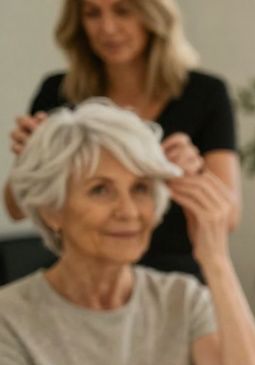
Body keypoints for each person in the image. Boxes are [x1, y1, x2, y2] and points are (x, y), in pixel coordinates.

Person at [0, 100, 255, 365]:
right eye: (100, 189)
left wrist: (215, 259)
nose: (128, 211)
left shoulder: (181, 297)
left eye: (141, 189)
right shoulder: (11, 315)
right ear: (52, 208)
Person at [4, 0, 240, 278]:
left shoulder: (205, 94)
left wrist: (194, 175)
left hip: (176, 277)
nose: (107, 28)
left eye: (122, 11)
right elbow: (14, 208)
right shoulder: (58, 92)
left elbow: (228, 218)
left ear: (153, 16)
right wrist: (34, 159)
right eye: (93, 13)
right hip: (86, 277)